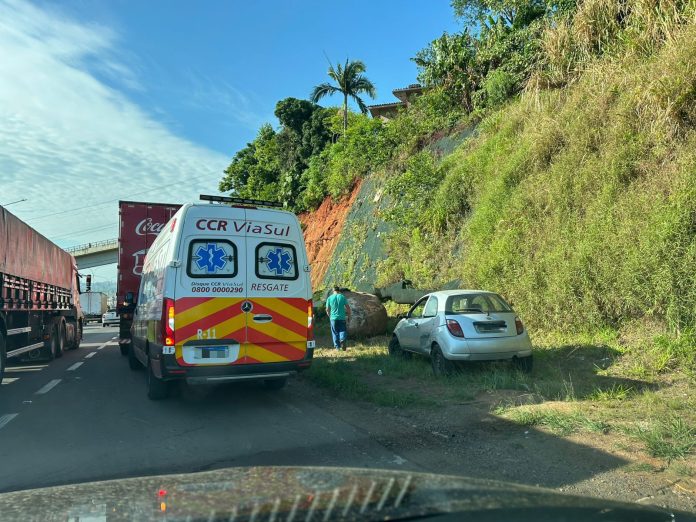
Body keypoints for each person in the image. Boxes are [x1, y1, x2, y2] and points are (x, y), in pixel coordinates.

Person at [326, 285, 351, 351]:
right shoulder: (342, 297)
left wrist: (329, 316)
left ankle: (337, 347)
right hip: (342, 317)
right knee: (342, 330)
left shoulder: (329, 298)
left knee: (335, 332)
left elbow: (327, 309)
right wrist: (349, 316)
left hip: (333, 318)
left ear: (333, 291)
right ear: (339, 291)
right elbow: (348, 308)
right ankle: (342, 339)